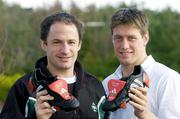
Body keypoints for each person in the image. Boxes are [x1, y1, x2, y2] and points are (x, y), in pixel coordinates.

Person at [0, 12, 107, 119]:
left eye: (71, 42)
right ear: (44, 44)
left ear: (79, 45)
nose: (65, 50)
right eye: (57, 42)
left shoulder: (95, 87)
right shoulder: (24, 88)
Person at [102, 8, 180, 119]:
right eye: (118, 38)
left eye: (131, 38)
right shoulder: (106, 84)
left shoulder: (167, 79)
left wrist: (144, 115)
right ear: (112, 39)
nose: (124, 46)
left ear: (145, 38)